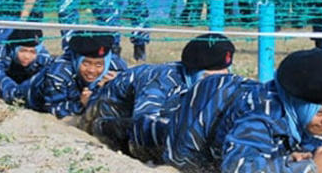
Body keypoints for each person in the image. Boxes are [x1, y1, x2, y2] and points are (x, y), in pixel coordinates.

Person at [163, 48, 322, 173]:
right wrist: (310, 170)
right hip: (186, 119)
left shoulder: (321, 113)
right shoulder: (260, 117)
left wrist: (301, 154)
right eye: (321, 113)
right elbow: (236, 170)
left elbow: (315, 139)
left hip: (227, 96)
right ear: (296, 106)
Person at [82, 33, 235, 161]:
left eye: (223, 78)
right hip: (109, 114)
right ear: (192, 72)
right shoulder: (162, 81)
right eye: (209, 78)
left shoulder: (221, 85)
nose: (217, 85)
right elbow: (143, 126)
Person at [23, 33, 127, 119]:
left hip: (73, 97)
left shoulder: (117, 69)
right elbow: (53, 110)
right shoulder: (59, 73)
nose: (91, 70)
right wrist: (81, 104)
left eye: (99, 65)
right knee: (10, 91)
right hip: (32, 93)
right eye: (86, 64)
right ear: (77, 60)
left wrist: (115, 86)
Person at [0, 28, 52, 104]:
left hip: (14, 63)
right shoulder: (2, 47)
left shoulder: (42, 54)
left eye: (32, 52)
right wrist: (11, 91)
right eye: (23, 51)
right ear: (14, 48)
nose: (27, 56)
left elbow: (51, 72)